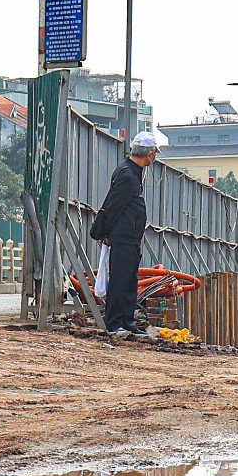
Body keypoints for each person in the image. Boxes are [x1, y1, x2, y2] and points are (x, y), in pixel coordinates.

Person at [91, 129, 163, 338]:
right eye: (154, 154)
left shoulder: (131, 172)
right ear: (149, 154)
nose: (154, 158)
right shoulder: (127, 174)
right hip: (122, 237)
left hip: (130, 237)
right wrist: (106, 231)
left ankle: (127, 320)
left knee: (129, 279)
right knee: (120, 280)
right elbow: (113, 206)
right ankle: (114, 322)